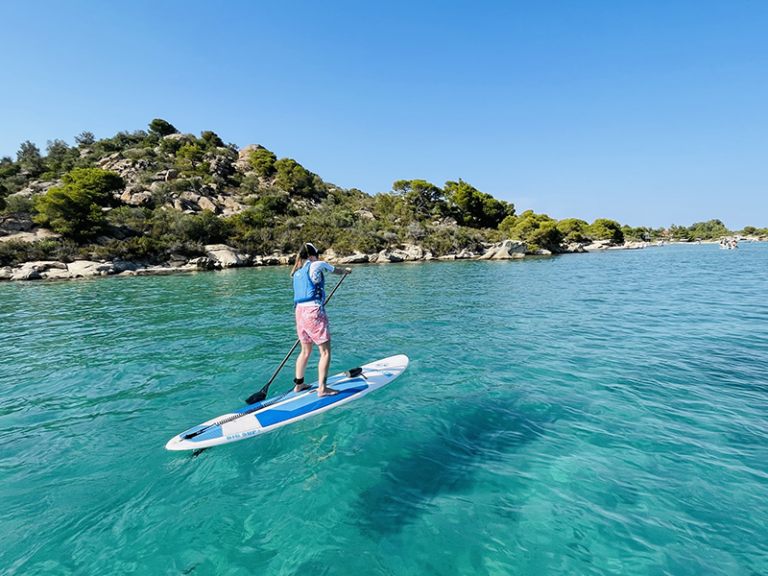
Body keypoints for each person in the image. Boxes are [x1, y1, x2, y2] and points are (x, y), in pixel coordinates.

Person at [291, 242, 351, 397]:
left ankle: (299, 385)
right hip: (314, 312)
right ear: (312, 256)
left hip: (299, 312)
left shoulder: (296, 272)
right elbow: (336, 271)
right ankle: (322, 389)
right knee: (325, 352)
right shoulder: (316, 264)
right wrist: (346, 271)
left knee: (305, 351)